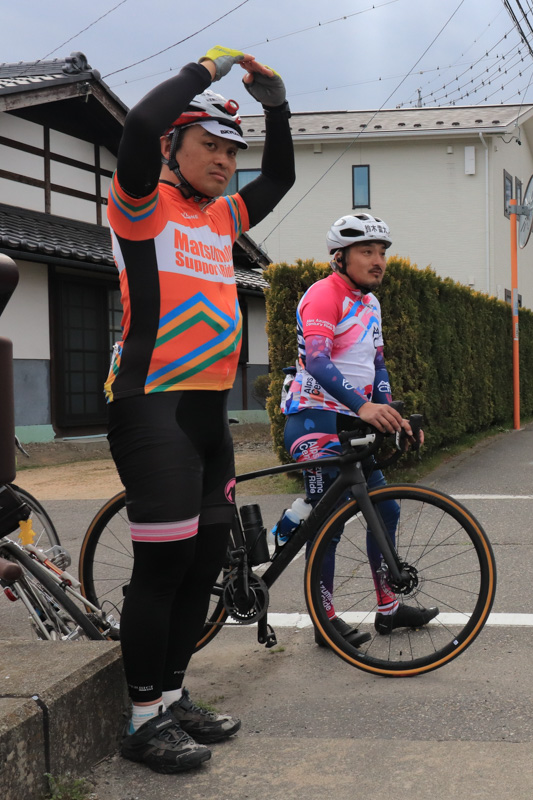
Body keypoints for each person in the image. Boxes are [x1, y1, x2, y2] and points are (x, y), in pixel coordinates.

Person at [106, 46, 295, 773]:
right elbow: (138, 123)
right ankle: (140, 719)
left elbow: (278, 174)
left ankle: (174, 696)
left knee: (204, 564)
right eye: (208, 145)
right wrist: (208, 68)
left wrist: (275, 106)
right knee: (163, 568)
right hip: (150, 408)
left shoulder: (223, 217)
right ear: (172, 146)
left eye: (229, 149)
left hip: (208, 418)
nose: (222, 160)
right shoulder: (139, 203)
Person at [280, 213, 438, 650]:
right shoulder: (322, 296)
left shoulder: (370, 304)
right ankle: (324, 618)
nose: (378, 261)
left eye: (382, 252)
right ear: (340, 257)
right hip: (314, 419)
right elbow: (317, 360)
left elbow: (378, 365)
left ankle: (388, 607)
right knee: (326, 525)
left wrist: (389, 413)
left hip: (352, 421)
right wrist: (364, 406)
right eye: (367, 251)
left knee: (384, 510)